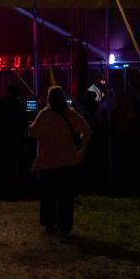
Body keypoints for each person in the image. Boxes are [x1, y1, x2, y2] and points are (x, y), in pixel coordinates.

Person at [27, 85, 92, 237]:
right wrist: (82, 147)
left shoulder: (44, 115)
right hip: (68, 160)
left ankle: (49, 224)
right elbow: (87, 130)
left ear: (49, 99)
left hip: (47, 161)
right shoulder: (71, 115)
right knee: (66, 198)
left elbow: (33, 132)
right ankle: (64, 227)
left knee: (48, 196)